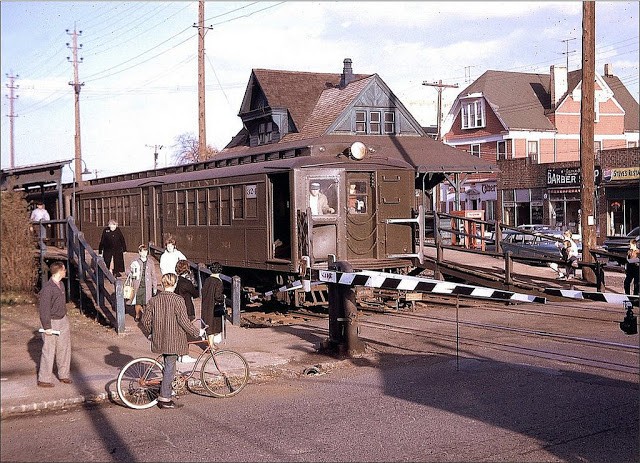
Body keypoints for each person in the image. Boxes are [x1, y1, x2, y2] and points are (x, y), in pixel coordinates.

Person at [141, 273, 204, 409]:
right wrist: (197, 332)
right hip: (173, 340)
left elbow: (145, 321)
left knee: (167, 365)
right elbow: (184, 322)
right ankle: (165, 399)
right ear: (175, 284)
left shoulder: (154, 300)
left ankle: (167, 387)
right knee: (170, 367)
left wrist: (151, 333)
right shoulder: (178, 300)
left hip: (159, 339)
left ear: (163, 284)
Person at [37, 261, 72, 387]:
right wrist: (47, 327)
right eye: (64, 270)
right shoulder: (47, 289)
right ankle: (44, 379)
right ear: (59, 271)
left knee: (64, 349)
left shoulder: (61, 285)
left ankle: (64, 375)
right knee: (49, 350)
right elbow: (44, 309)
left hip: (62, 320)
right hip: (51, 322)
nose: (65, 271)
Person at [128, 244, 158, 321]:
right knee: (137, 301)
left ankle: (146, 316)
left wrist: (155, 287)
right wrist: (132, 274)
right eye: (143, 251)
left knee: (146, 302)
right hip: (138, 284)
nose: (144, 253)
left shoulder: (150, 262)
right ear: (139, 252)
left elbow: (153, 275)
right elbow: (128, 271)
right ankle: (137, 315)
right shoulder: (135, 261)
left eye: (146, 251)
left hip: (147, 285)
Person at [202, 262, 225, 346]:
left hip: (206, 305)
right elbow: (217, 296)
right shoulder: (218, 281)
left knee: (208, 325)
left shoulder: (207, 280)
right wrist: (223, 297)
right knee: (212, 326)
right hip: (214, 307)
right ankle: (211, 346)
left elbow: (203, 291)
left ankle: (209, 344)